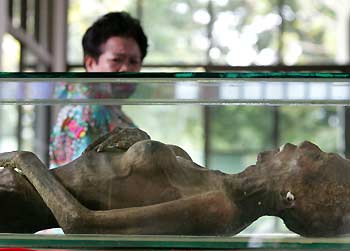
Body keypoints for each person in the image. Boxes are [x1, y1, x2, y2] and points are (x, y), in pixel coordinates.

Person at [0, 127, 350, 237]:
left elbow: (81, 223)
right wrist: (141, 142)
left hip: (15, 194)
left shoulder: (220, 208)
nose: (300, 145)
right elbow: (147, 181)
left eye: (315, 158)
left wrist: (25, 161)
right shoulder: (223, 187)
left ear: (292, 199)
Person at [49, 11, 148, 168]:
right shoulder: (87, 112)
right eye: (116, 60)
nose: (126, 69)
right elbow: (85, 180)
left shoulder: (114, 115)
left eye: (133, 61)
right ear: (90, 63)